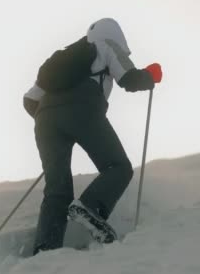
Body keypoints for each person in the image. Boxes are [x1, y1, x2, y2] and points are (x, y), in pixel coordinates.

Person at [23, 18, 163, 255]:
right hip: (83, 109)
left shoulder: (66, 59)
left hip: (45, 119)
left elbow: (29, 100)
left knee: (57, 189)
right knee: (118, 166)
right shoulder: (107, 45)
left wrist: (57, 123)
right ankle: (90, 208)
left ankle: (45, 250)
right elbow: (128, 78)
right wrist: (150, 76)